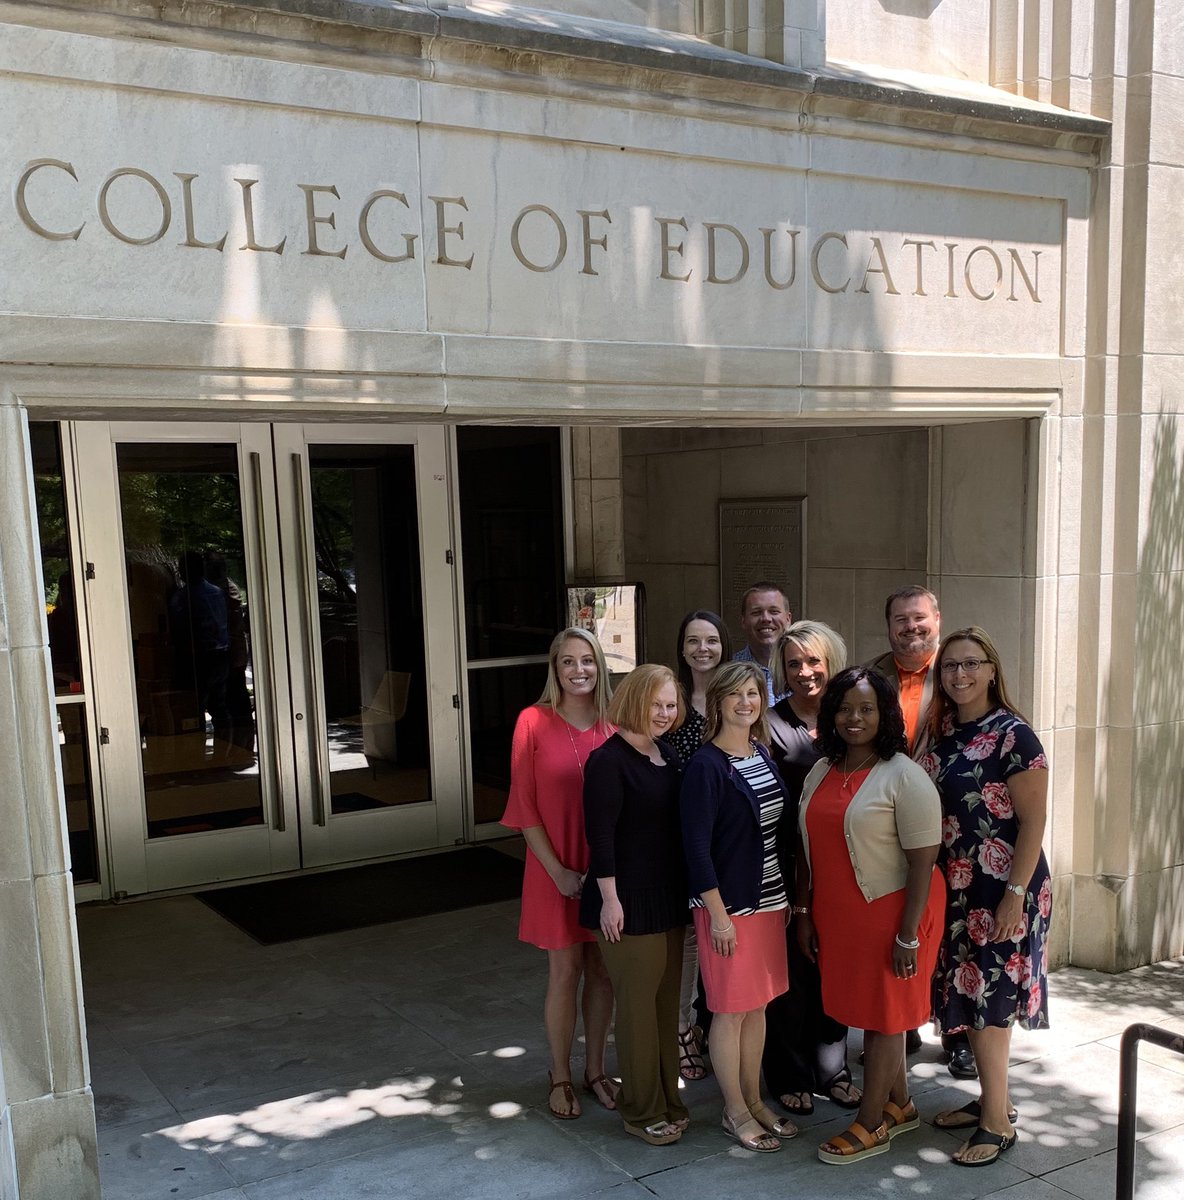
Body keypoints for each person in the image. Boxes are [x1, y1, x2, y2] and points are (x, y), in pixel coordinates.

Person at [797, 667, 945, 1164]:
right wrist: (804, 911)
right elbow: (805, 849)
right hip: (840, 915)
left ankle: (871, 1123)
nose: (854, 717)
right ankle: (899, 1104)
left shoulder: (905, 775)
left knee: (885, 1019)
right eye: (844, 708)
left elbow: (924, 859)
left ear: (884, 714)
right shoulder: (823, 769)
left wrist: (908, 935)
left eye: (866, 708)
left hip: (894, 912)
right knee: (873, 1012)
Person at [923, 627, 1051, 1167]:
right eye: (949, 666)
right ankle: (989, 1100)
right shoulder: (944, 733)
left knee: (991, 1000)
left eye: (971, 663)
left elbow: (1034, 821)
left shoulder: (1013, 735)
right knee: (973, 994)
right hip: (958, 886)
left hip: (1004, 886)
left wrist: (1013, 897)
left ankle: (998, 1124)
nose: (960, 675)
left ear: (992, 669)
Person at [501, 628, 620, 1120]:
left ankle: (595, 1070)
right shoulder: (532, 721)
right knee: (565, 971)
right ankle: (560, 1074)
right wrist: (559, 872)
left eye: (587, 660)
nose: (579, 670)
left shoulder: (615, 721)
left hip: (606, 869)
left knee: (603, 973)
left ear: (600, 665)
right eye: (568, 661)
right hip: (553, 867)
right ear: (554, 668)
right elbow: (524, 807)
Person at [681, 661, 794, 1154]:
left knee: (758, 1006)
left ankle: (755, 1099)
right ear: (718, 702)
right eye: (736, 695)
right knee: (729, 1011)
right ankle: (735, 1111)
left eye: (754, 693)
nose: (746, 702)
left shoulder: (761, 753)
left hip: (768, 902)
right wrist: (720, 915)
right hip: (726, 910)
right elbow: (696, 849)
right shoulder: (705, 766)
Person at [581, 665, 691, 1146]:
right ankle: (640, 1110)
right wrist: (609, 900)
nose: (665, 714)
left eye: (671, 705)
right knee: (638, 1008)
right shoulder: (608, 760)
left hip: (666, 896)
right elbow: (600, 837)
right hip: (624, 902)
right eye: (655, 704)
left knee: (666, 1004)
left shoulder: (665, 752)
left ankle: (668, 1097)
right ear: (633, 702)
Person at [868, 584, 973, 1076]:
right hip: (889, 822)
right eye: (900, 620)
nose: (910, 628)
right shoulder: (872, 674)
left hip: (950, 820)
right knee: (899, 918)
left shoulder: (958, 673)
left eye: (919, 619)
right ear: (888, 626)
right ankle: (902, 1023)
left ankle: (956, 1033)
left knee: (951, 927)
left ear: (937, 618)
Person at [762, 621, 862, 1117]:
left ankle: (833, 1068)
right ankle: (787, 1072)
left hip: (845, 866)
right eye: (794, 663)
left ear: (832, 660)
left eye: (814, 661)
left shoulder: (851, 716)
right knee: (792, 973)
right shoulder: (771, 722)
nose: (805, 673)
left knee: (835, 967)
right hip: (785, 866)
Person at [665, 609, 732, 1080]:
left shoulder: (738, 697)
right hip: (680, 836)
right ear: (682, 647)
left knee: (722, 935)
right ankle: (682, 1031)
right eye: (693, 640)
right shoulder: (671, 699)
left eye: (711, 640)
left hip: (729, 839)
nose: (702, 649)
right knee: (688, 939)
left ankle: (717, 1026)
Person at [733, 582, 792, 706]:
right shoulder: (729, 671)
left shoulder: (804, 673)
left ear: (788, 619)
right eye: (756, 612)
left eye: (774, 611)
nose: (766, 618)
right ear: (743, 621)